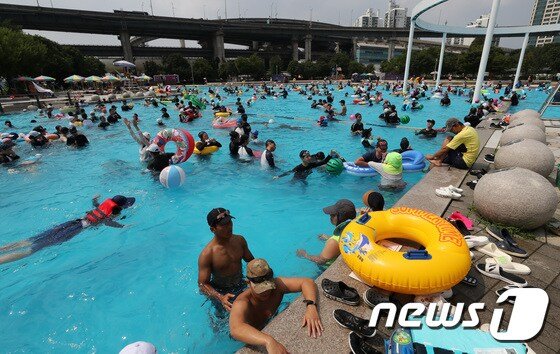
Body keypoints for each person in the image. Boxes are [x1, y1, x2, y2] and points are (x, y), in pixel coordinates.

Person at [0, 195, 135, 265]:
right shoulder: (115, 210)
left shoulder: (104, 206)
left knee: (33, 239)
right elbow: (107, 222)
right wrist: (123, 226)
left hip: (72, 222)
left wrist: (95, 200)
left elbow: (95, 206)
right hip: (76, 230)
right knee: (36, 247)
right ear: (121, 206)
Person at [229, 258, 323, 353]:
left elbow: (307, 282)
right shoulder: (242, 302)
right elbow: (236, 329)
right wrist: (268, 341)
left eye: (268, 286)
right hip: (251, 331)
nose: (266, 291)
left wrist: (311, 306)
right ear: (248, 283)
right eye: (260, 288)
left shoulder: (277, 285)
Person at [198, 208, 255, 311]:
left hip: (241, 283)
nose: (229, 227)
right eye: (223, 225)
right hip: (221, 292)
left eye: (229, 222)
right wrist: (220, 298)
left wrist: (254, 278)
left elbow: (251, 261)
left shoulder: (239, 240)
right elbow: (202, 284)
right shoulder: (207, 254)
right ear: (212, 229)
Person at [296, 199, 357, 266]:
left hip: (325, 269)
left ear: (341, 218)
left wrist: (305, 255)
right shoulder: (352, 228)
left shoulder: (333, 242)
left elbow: (320, 260)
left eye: (333, 215)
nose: (330, 216)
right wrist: (328, 237)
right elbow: (341, 240)